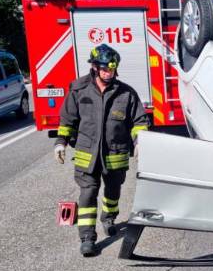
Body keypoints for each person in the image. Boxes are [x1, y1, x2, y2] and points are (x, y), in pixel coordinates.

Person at [54, 44, 148, 257]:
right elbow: (68, 119)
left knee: (113, 193)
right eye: (105, 68)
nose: (108, 72)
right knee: (88, 193)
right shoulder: (78, 89)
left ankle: (108, 217)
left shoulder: (126, 93)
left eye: (112, 69)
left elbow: (139, 121)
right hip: (87, 155)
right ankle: (87, 237)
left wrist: (139, 140)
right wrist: (61, 142)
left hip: (115, 155)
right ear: (95, 67)